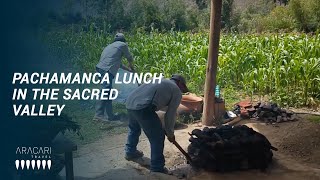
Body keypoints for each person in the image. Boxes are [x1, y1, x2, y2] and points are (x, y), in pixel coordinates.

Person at [124, 74, 189, 173]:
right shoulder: (176, 90)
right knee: (157, 137)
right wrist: (170, 133)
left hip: (130, 103)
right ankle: (157, 167)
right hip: (144, 107)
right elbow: (170, 115)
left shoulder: (159, 80)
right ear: (179, 83)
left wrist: (165, 127)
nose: (181, 91)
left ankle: (130, 152)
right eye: (183, 87)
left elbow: (161, 105)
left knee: (134, 128)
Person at [94, 33, 135, 122]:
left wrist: (129, 70)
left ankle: (110, 116)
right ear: (123, 40)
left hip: (100, 68)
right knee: (105, 90)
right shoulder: (123, 45)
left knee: (108, 92)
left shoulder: (111, 46)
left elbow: (118, 64)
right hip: (106, 70)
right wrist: (132, 68)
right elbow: (129, 57)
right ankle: (98, 115)